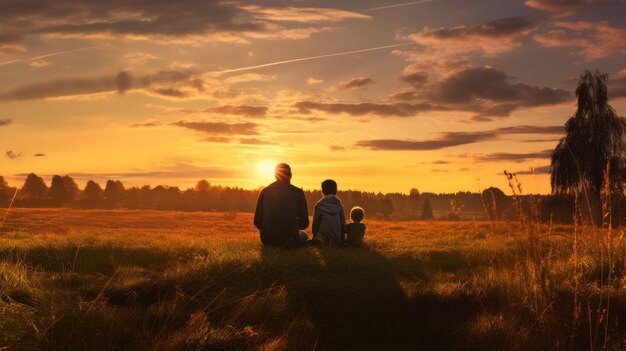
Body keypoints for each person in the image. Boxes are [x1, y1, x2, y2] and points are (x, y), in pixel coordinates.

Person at [254, 163, 309, 247]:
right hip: (290, 238)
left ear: (275, 175)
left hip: (267, 239)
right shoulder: (298, 192)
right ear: (290, 175)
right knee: (304, 235)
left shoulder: (265, 191)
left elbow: (257, 221)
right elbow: (304, 223)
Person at [311, 179, 346, 247]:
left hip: (322, 241)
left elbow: (315, 225)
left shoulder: (318, 206)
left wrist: (314, 238)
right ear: (336, 191)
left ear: (323, 191)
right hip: (337, 241)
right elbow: (343, 226)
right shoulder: (339, 206)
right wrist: (342, 241)